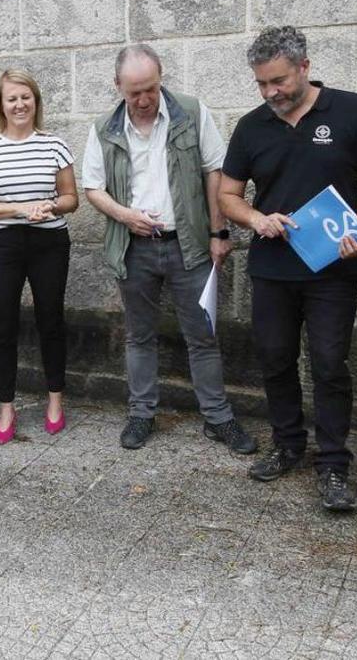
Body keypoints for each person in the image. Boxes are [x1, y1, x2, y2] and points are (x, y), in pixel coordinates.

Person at [218, 27, 357, 511]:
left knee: (330, 366)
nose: (270, 92)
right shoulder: (252, 126)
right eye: (261, 84)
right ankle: (288, 444)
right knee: (274, 361)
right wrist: (256, 218)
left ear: (304, 67)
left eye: (278, 81)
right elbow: (227, 195)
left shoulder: (352, 110)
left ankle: (334, 464)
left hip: (333, 270)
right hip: (272, 269)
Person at [82, 44, 253, 454]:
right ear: (118, 86)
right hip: (134, 247)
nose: (143, 100)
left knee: (203, 336)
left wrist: (218, 233)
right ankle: (141, 414)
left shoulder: (191, 113)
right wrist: (125, 216)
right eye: (134, 92)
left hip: (189, 246)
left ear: (161, 79)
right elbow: (93, 187)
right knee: (139, 337)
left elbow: (216, 170)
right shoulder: (104, 126)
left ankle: (218, 418)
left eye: (151, 89)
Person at [0, 69, 78, 443]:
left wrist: (49, 206)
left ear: (36, 101)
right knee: (4, 324)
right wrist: (19, 209)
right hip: (2, 246)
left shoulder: (54, 144)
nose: (19, 104)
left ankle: (55, 402)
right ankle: (6, 407)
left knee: (51, 320)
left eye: (25, 97)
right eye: (11, 98)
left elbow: (70, 198)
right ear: (1, 104)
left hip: (48, 243)